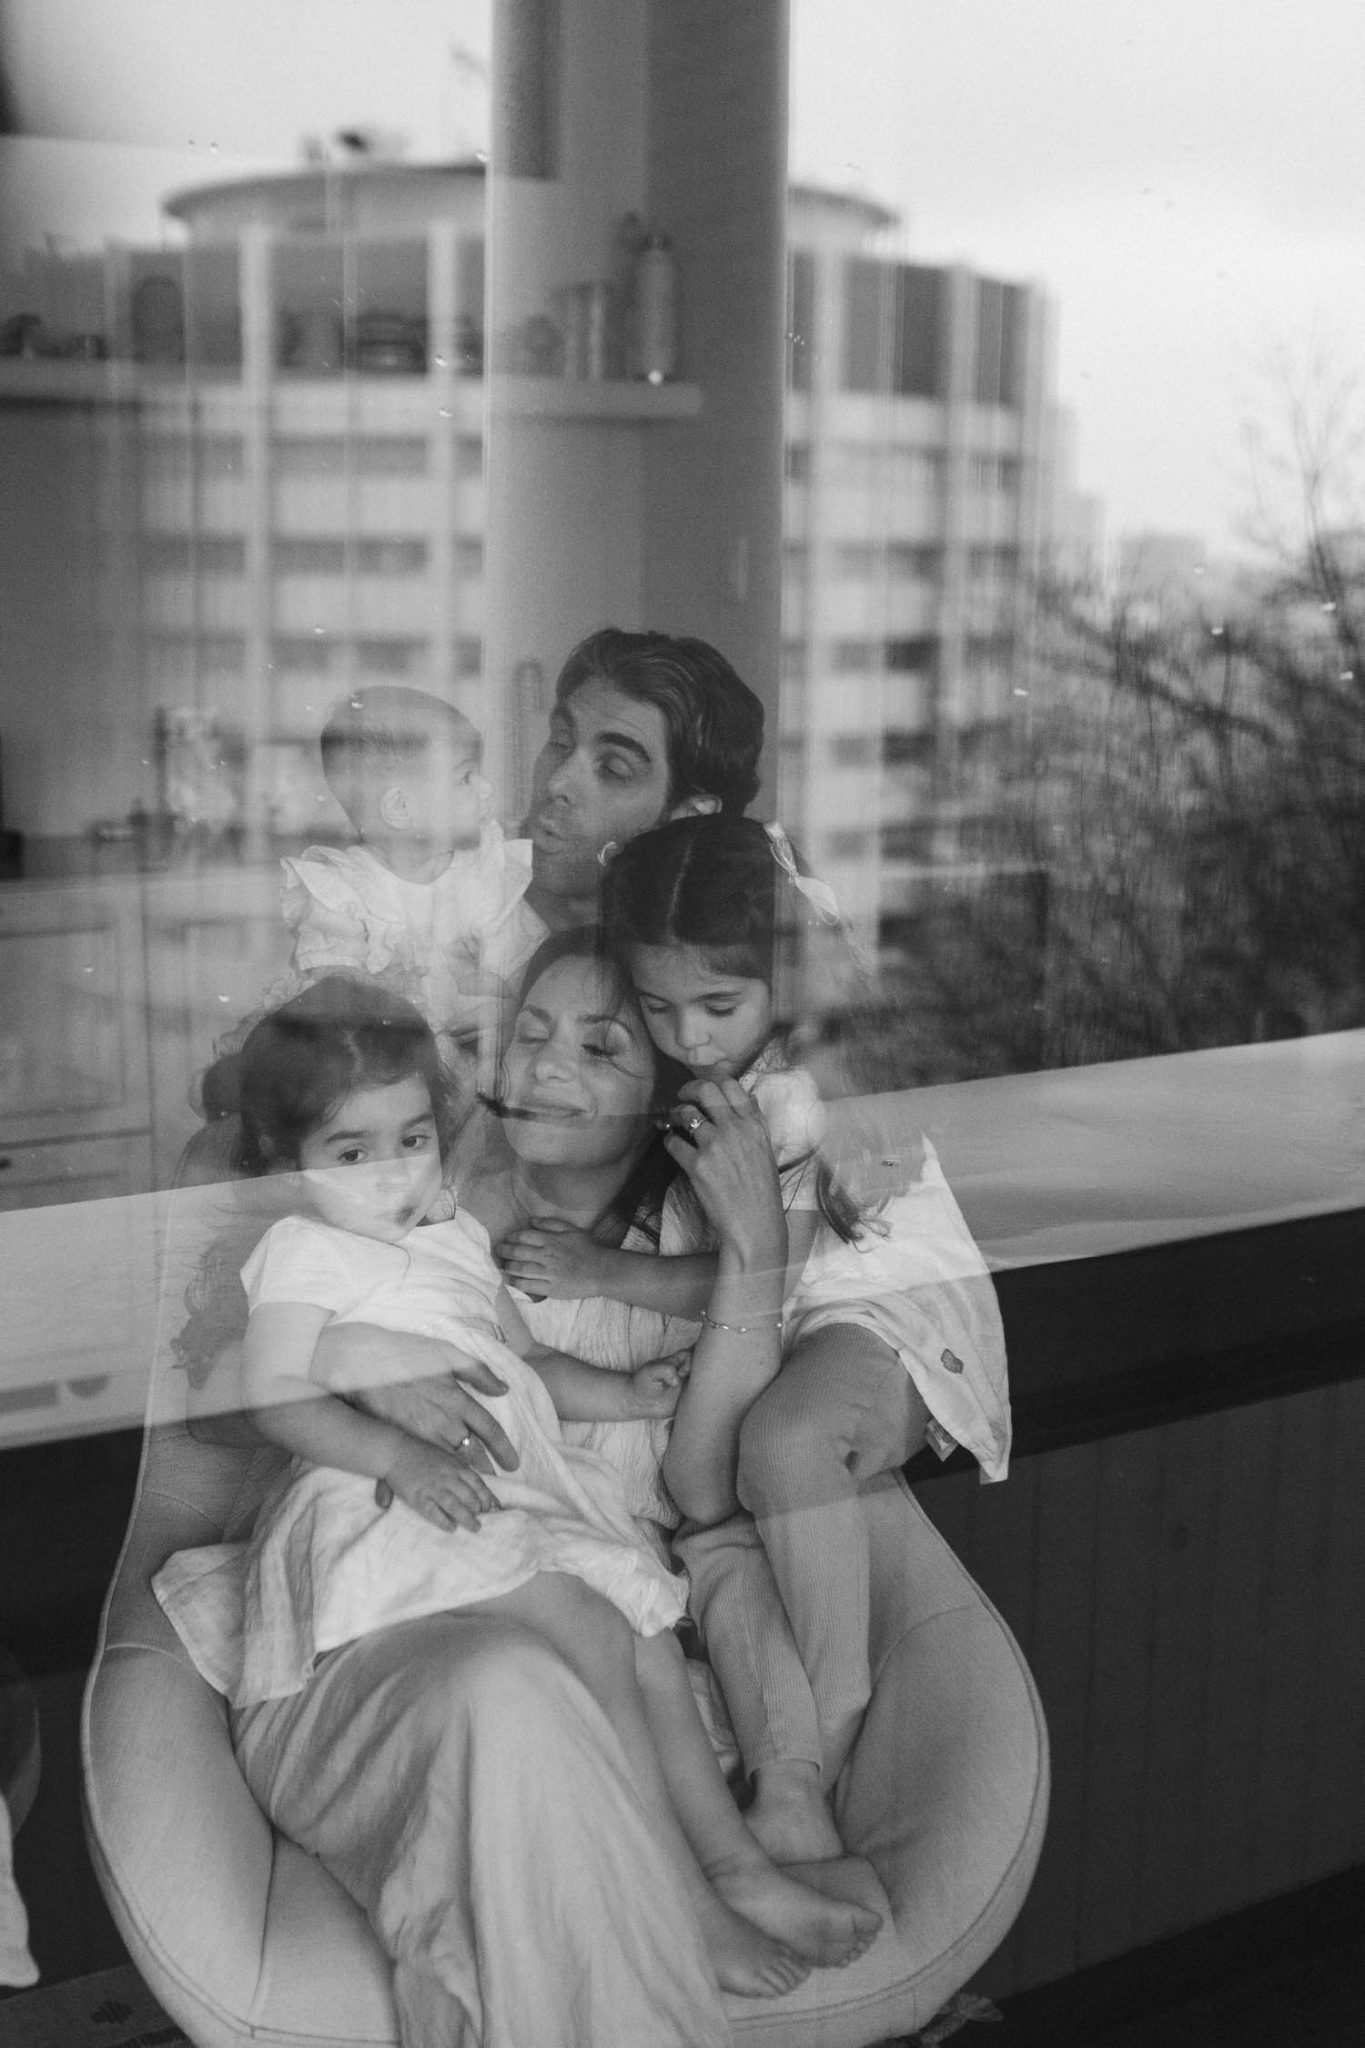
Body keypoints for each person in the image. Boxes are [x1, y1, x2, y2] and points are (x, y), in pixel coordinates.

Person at [167, 956, 881, 2033]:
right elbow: (273, 1394)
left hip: (510, 1509)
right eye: (347, 1153)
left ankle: (733, 1862)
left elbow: (526, 1364)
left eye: (409, 1141)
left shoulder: (451, 1237)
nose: (388, 1176)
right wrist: (397, 1455)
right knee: (595, 1628)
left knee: (637, 1635)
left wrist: (626, 1389)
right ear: (286, 1165)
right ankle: (687, 1898)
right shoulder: (303, 1249)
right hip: (392, 1509)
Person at [500, 815, 1011, 1862]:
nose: (687, 1034)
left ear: (776, 982)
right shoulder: (723, 1075)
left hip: (891, 1308)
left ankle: (829, 1712)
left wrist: (601, 1271)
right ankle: (785, 1739)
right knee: (711, 1470)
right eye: (657, 1006)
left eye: (717, 1005)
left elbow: (760, 1270)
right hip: (807, 1309)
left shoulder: (787, 1096)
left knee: (779, 1445)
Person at [280, 685, 536, 1047]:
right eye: (466, 777)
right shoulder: (343, 895)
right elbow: (338, 1017)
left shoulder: (485, 871)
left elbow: (531, 975)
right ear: (400, 808)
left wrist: (508, 1012)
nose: (488, 789)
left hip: (490, 1062)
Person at [510, 626, 766, 947]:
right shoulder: (452, 893)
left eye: (614, 769)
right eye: (561, 741)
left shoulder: (697, 979)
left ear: (688, 816)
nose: (556, 781)